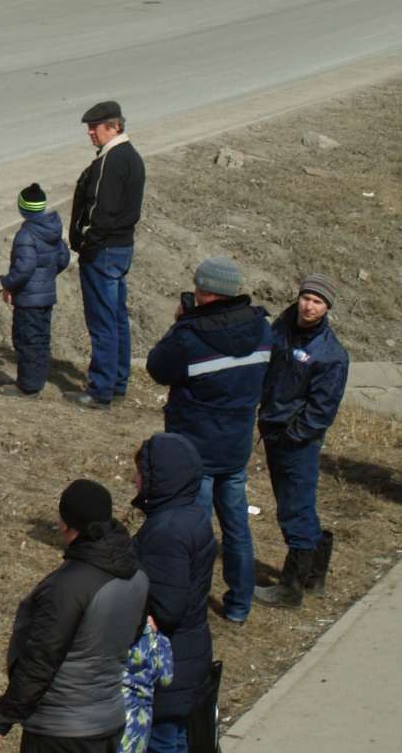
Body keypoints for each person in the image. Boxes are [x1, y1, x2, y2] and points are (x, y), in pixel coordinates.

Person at [0, 479, 149, 753]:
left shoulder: (67, 586)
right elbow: (133, 633)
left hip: (61, 729)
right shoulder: (136, 575)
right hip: (109, 719)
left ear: (67, 525)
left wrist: (0, 721)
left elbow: (41, 659)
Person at [145, 256, 272, 624]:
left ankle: (190, 605)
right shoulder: (263, 329)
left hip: (194, 449)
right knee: (236, 528)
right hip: (236, 446)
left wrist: (179, 325)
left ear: (203, 292)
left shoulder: (190, 336)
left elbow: (157, 367)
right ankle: (239, 604)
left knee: (194, 533)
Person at [255, 275, 350, 607]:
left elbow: (321, 410)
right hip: (273, 428)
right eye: (306, 297)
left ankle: (291, 588)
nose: (310, 306)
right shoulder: (280, 328)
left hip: (296, 440)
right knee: (294, 504)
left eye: (318, 301)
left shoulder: (331, 355)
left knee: (296, 508)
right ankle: (314, 576)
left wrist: (293, 436)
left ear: (327, 309)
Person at [132, 433, 216, 752]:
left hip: (169, 663)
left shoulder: (166, 531)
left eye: (141, 473)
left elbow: (167, 607)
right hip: (190, 654)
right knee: (178, 738)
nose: (135, 479)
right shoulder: (192, 516)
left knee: (161, 742)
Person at [70, 99, 145, 410]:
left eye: (95, 128)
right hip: (121, 248)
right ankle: (117, 382)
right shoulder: (132, 157)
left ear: (114, 127)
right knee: (116, 320)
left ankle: (100, 389)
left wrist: (85, 243)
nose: (90, 133)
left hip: (102, 252)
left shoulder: (110, 162)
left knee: (102, 322)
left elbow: (100, 211)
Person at [0, 182, 72, 396]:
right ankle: (38, 379)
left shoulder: (26, 235)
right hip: (46, 296)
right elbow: (63, 257)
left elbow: (24, 268)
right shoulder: (53, 229)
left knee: (26, 339)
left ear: (22, 209)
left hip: (28, 298)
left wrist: (7, 283)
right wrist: (47, 276)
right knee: (41, 338)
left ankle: (28, 387)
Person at [121, 615, 174, 753]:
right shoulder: (151, 633)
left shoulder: (109, 629)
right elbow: (166, 678)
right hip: (139, 717)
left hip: (108, 708)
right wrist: (159, 636)